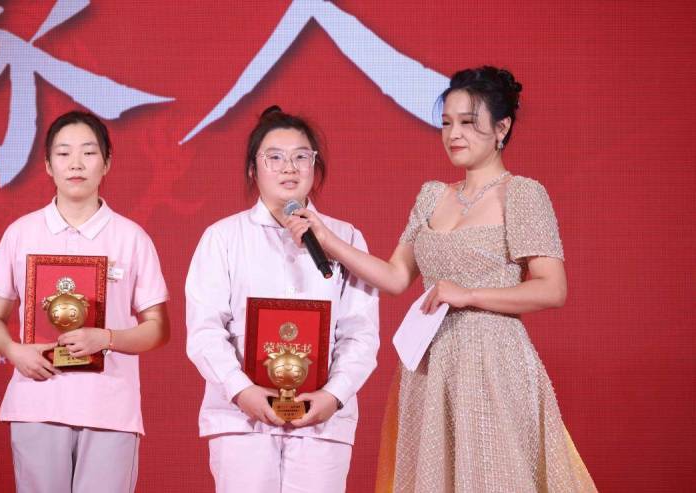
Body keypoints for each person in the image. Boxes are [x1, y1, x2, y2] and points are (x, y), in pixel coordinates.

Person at [286, 67, 597, 492]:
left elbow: (551, 287)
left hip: (493, 361)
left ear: (501, 128)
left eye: (468, 122)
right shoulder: (432, 195)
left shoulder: (522, 193)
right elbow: (396, 276)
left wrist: (468, 294)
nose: (454, 134)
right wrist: (327, 239)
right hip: (429, 365)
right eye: (447, 123)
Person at [185, 106, 379, 493]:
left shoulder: (345, 238)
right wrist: (240, 390)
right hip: (241, 418)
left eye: (301, 156)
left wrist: (334, 395)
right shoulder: (223, 237)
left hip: (321, 419)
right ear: (253, 170)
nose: (289, 167)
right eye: (274, 157)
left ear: (314, 166)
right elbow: (205, 329)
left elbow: (361, 333)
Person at [0, 111, 170, 492]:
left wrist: (107, 338)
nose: (76, 164)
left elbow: (158, 329)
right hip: (37, 401)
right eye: (64, 153)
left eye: (89, 152)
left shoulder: (131, 238)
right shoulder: (21, 233)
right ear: (47, 165)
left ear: (107, 162)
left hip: (109, 408)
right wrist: (14, 351)